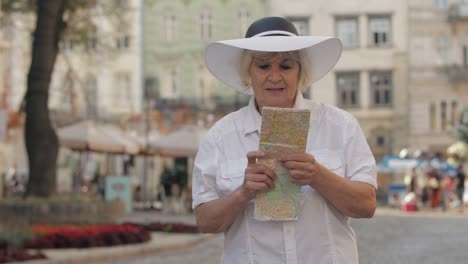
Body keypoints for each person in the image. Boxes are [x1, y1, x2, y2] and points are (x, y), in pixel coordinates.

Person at [192, 17, 377, 263]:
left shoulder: (340, 125)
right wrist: (243, 192)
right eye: (263, 66)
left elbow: (366, 205)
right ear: (248, 71)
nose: (275, 77)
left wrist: (318, 175)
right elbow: (205, 221)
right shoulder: (220, 136)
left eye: (286, 66)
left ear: (300, 71)